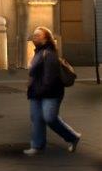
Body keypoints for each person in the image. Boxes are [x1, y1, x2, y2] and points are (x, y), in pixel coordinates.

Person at [23, 26, 80, 156]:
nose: (34, 37)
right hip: (37, 92)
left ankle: (73, 137)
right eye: (34, 35)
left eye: (38, 36)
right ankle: (37, 146)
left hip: (51, 93)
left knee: (50, 118)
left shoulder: (49, 55)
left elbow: (49, 78)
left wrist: (39, 89)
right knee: (37, 118)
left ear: (46, 39)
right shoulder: (38, 53)